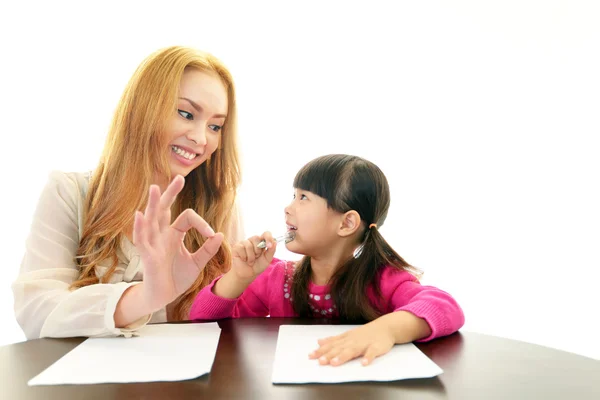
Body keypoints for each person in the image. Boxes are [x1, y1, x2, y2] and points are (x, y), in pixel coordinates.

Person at [12, 46, 244, 339]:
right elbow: (36, 311)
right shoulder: (69, 193)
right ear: (143, 108)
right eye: (186, 114)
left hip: (190, 380)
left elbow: (235, 318)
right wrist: (144, 297)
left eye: (215, 126)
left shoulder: (219, 207)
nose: (200, 138)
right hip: (88, 380)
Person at [190, 154, 464, 366]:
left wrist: (387, 330)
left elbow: (446, 307)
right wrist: (238, 278)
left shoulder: (382, 281)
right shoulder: (277, 279)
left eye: (304, 198)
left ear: (347, 223)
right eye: (293, 195)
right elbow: (201, 324)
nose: (288, 207)